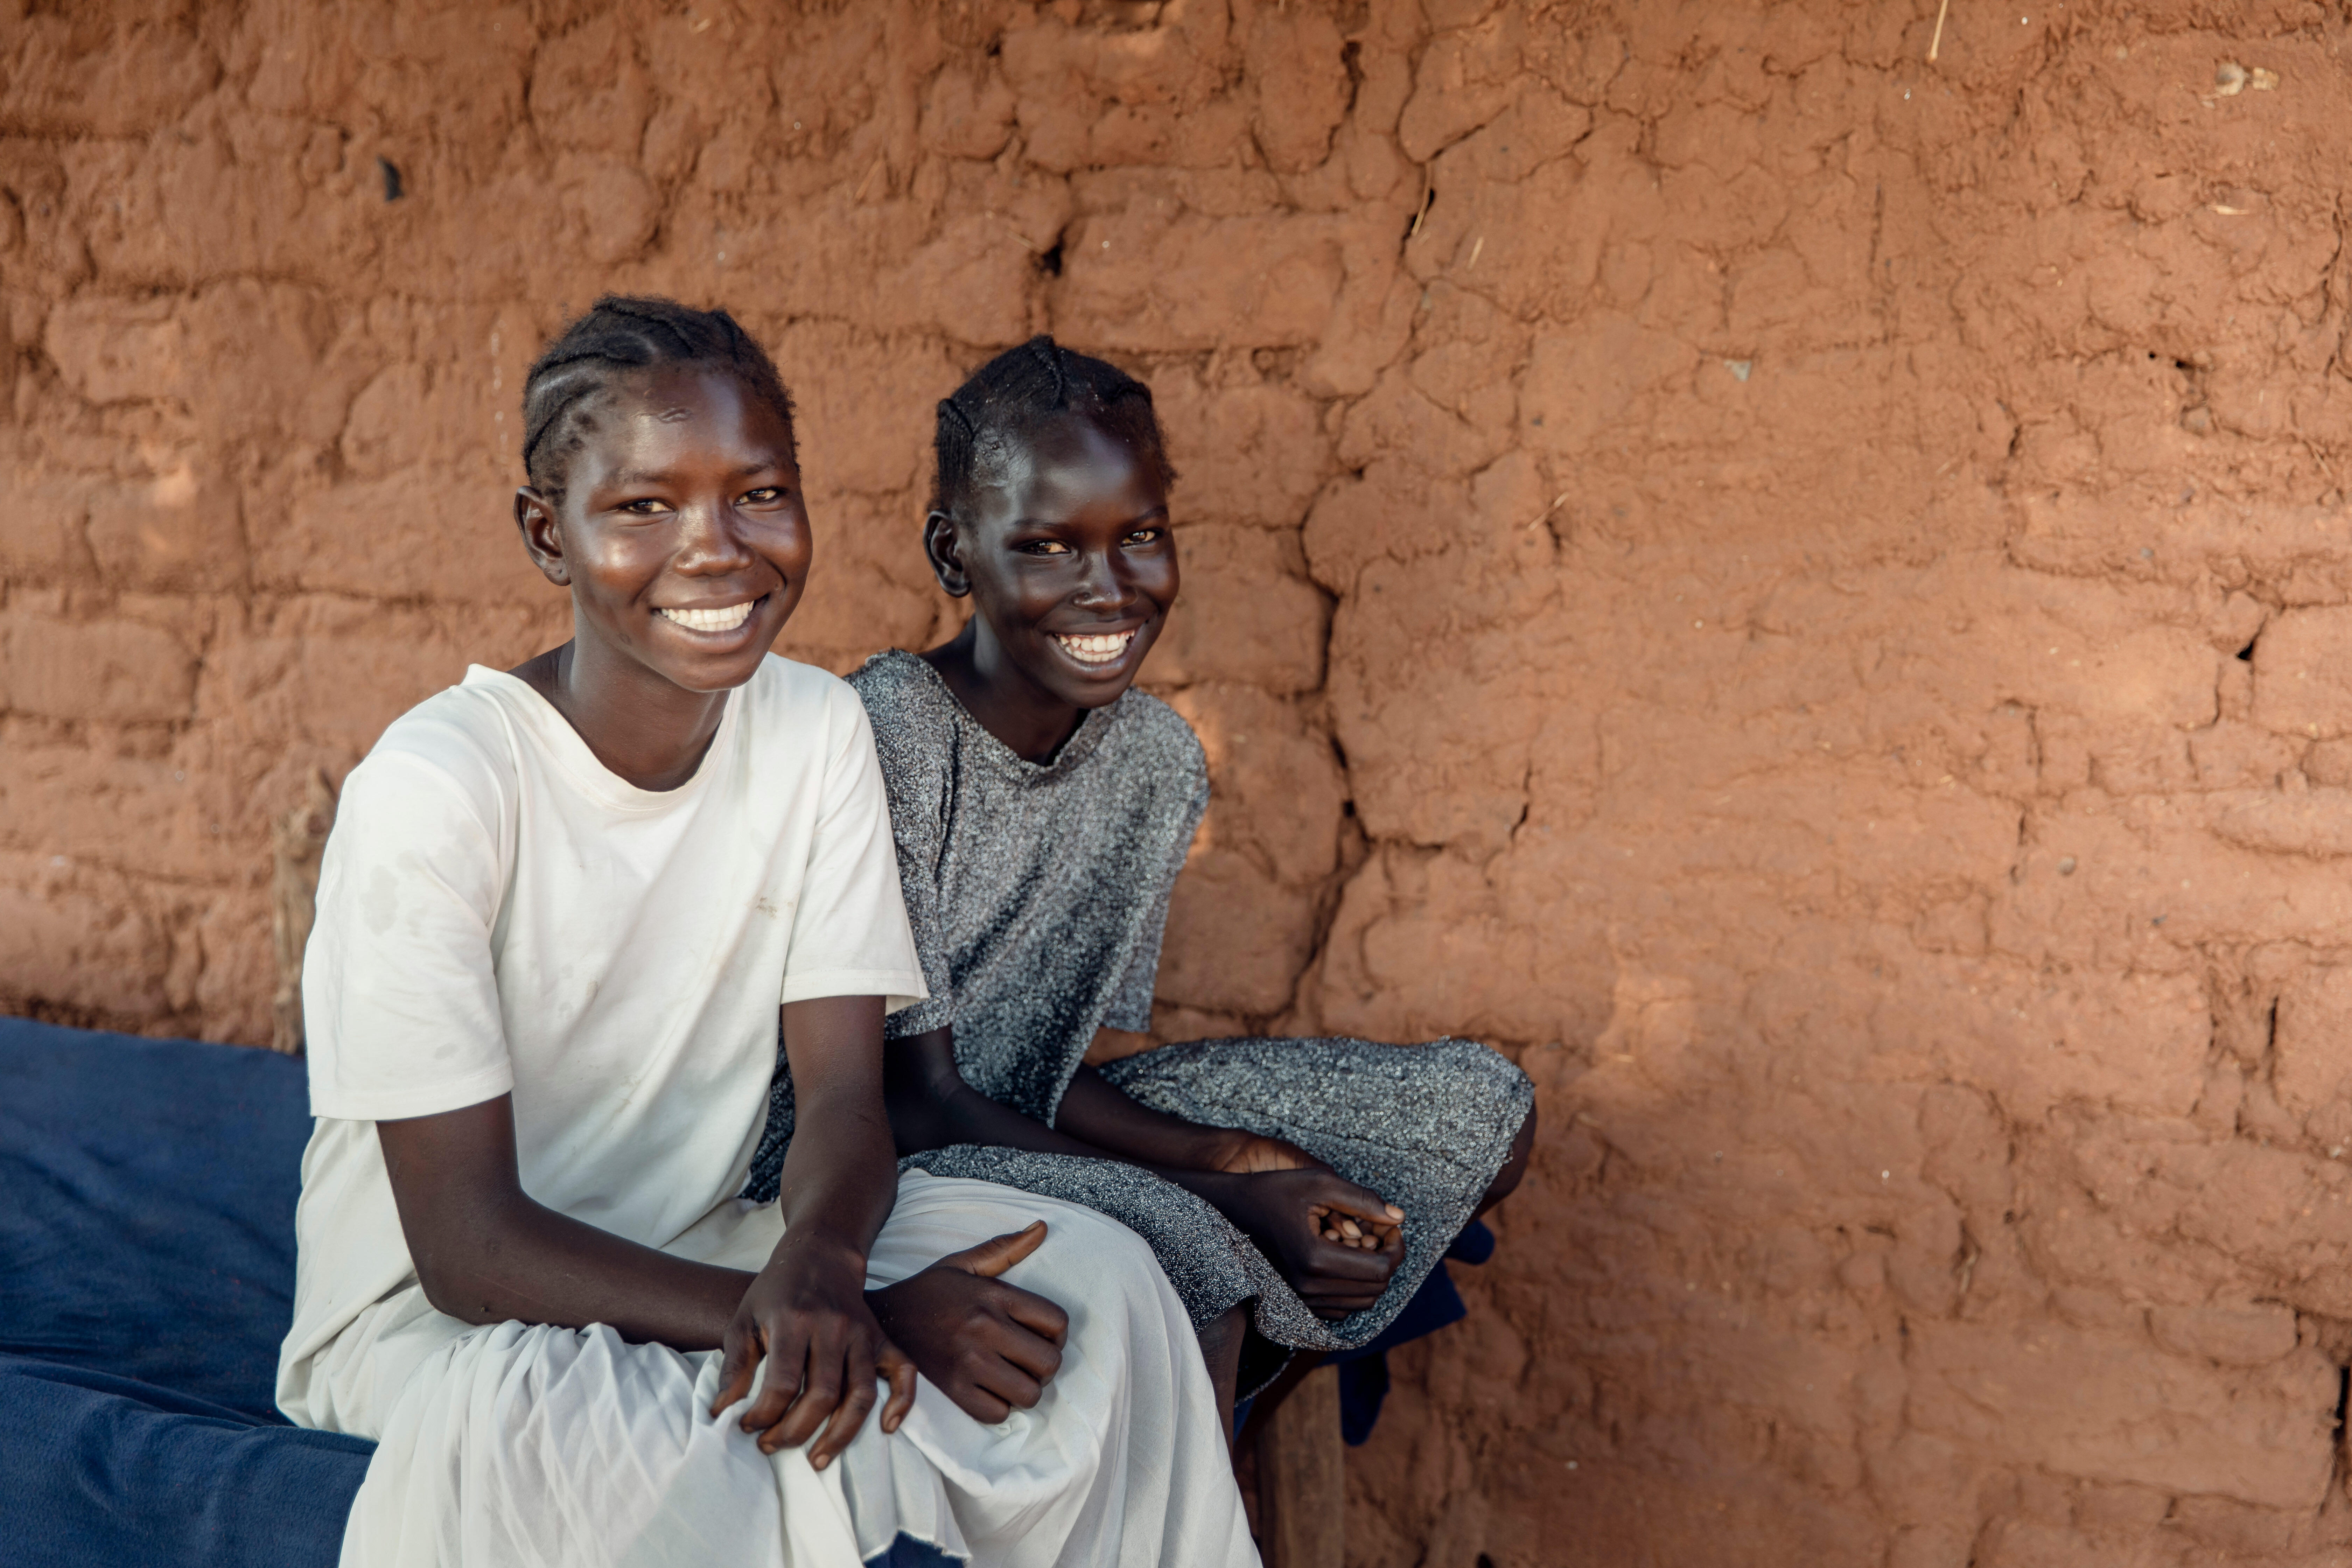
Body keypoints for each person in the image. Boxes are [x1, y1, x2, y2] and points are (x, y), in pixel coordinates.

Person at [275, 300, 1253, 1568]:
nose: (717, 550)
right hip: (453, 1316)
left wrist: (825, 1264)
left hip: (718, 1239)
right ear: (547, 535)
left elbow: (848, 1100)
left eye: (759, 493)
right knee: (600, 1437)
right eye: (643, 508)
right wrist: (850, 1316)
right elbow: (466, 1249)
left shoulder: (810, 731)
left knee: (1105, 1280)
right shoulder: (442, 788)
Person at [744, 336, 1536, 1423]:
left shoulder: (1157, 761)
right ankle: (1183, 1495)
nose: (1107, 588)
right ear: (953, 554)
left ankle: (1222, 1415)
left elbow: (1055, 1060)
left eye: (1142, 537)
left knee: (1479, 1114)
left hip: (1020, 1111)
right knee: (1201, 1257)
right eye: (1049, 546)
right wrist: (1231, 1200)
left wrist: (1247, 1157)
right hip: (858, 1149)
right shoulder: (892, 732)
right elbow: (917, 1096)